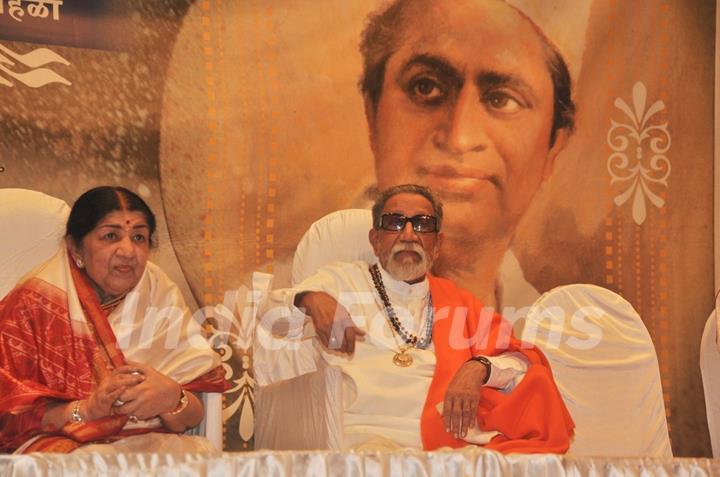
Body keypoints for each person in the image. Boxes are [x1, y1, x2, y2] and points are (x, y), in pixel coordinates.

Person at [255, 184, 573, 452]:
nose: (409, 234)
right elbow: (272, 320)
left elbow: (520, 361)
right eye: (395, 222)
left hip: (445, 445)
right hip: (361, 442)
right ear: (375, 239)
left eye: (422, 224)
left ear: (437, 245)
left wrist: (480, 367)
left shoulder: (459, 304)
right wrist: (309, 299)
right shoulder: (340, 281)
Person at [358, 0, 577, 309]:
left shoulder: (555, 338)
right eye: (425, 87)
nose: (459, 138)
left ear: (553, 148)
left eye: (502, 100)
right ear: (372, 115)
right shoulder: (291, 304)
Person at [0, 186, 228, 453]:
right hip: (64, 447)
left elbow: (194, 417)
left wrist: (172, 398)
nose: (128, 251)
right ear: (75, 247)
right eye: (111, 236)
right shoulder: (33, 304)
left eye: (139, 237)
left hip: (150, 446)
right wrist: (86, 410)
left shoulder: (160, 296)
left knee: (199, 458)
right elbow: (8, 416)